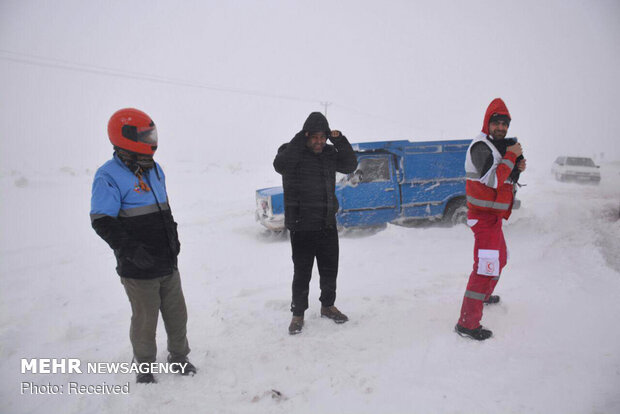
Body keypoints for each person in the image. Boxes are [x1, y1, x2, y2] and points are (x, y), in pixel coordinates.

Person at [90, 108, 196, 382]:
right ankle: (145, 366)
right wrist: (132, 251)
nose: (151, 139)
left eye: (152, 133)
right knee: (145, 320)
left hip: (166, 260)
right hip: (138, 266)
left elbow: (164, 210)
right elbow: (103, 221)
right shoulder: (109, 175)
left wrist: (173, 237)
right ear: (125, 137)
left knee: (177, 314)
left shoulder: (155, 169)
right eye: (145, 135)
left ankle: (179, 356)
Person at [273, 112, 358, 335]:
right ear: (306, 136)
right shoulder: (291, 153)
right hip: (302, 227)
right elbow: (280, 165)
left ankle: (328, 306)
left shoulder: (329, 153)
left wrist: (339, 139)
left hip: (326, 223)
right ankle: (298, 314)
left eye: (323, 138)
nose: (320, 142)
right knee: (302, 273)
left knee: (330, 270)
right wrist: (300, 138)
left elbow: (350, 164)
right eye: (315, 138)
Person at [455, 98, 526, 340]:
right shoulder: (480, 147)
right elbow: (494, 180)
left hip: (493, 218)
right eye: (497, 123)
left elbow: (502, 176)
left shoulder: (497, 147)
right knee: (485, 269)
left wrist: (516, 166)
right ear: (488, 123)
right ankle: (467, 323)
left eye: (505, 124)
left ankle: (483, 295)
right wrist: (510, 157)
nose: (501, 128)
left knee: (500, 259)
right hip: (483, 218)